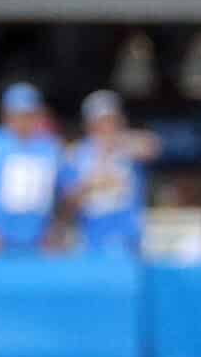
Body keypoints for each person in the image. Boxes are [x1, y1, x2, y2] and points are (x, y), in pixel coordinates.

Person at [0, 82, 63, 253]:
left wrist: (56, 227)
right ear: (6, 115)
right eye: (17, 114)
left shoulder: (50, 147)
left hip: (38, 242)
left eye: (28, 114)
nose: (23, 121)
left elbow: (61, 193)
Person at [60, 90, 149, 256]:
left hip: (127, 236)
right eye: (100, 121)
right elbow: (68, 202)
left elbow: (151, 147)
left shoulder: (130, 147)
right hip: (91, 236)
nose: (106, 127)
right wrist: (90, 182)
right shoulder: (77, 154)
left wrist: (117, 145)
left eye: (111, 120)